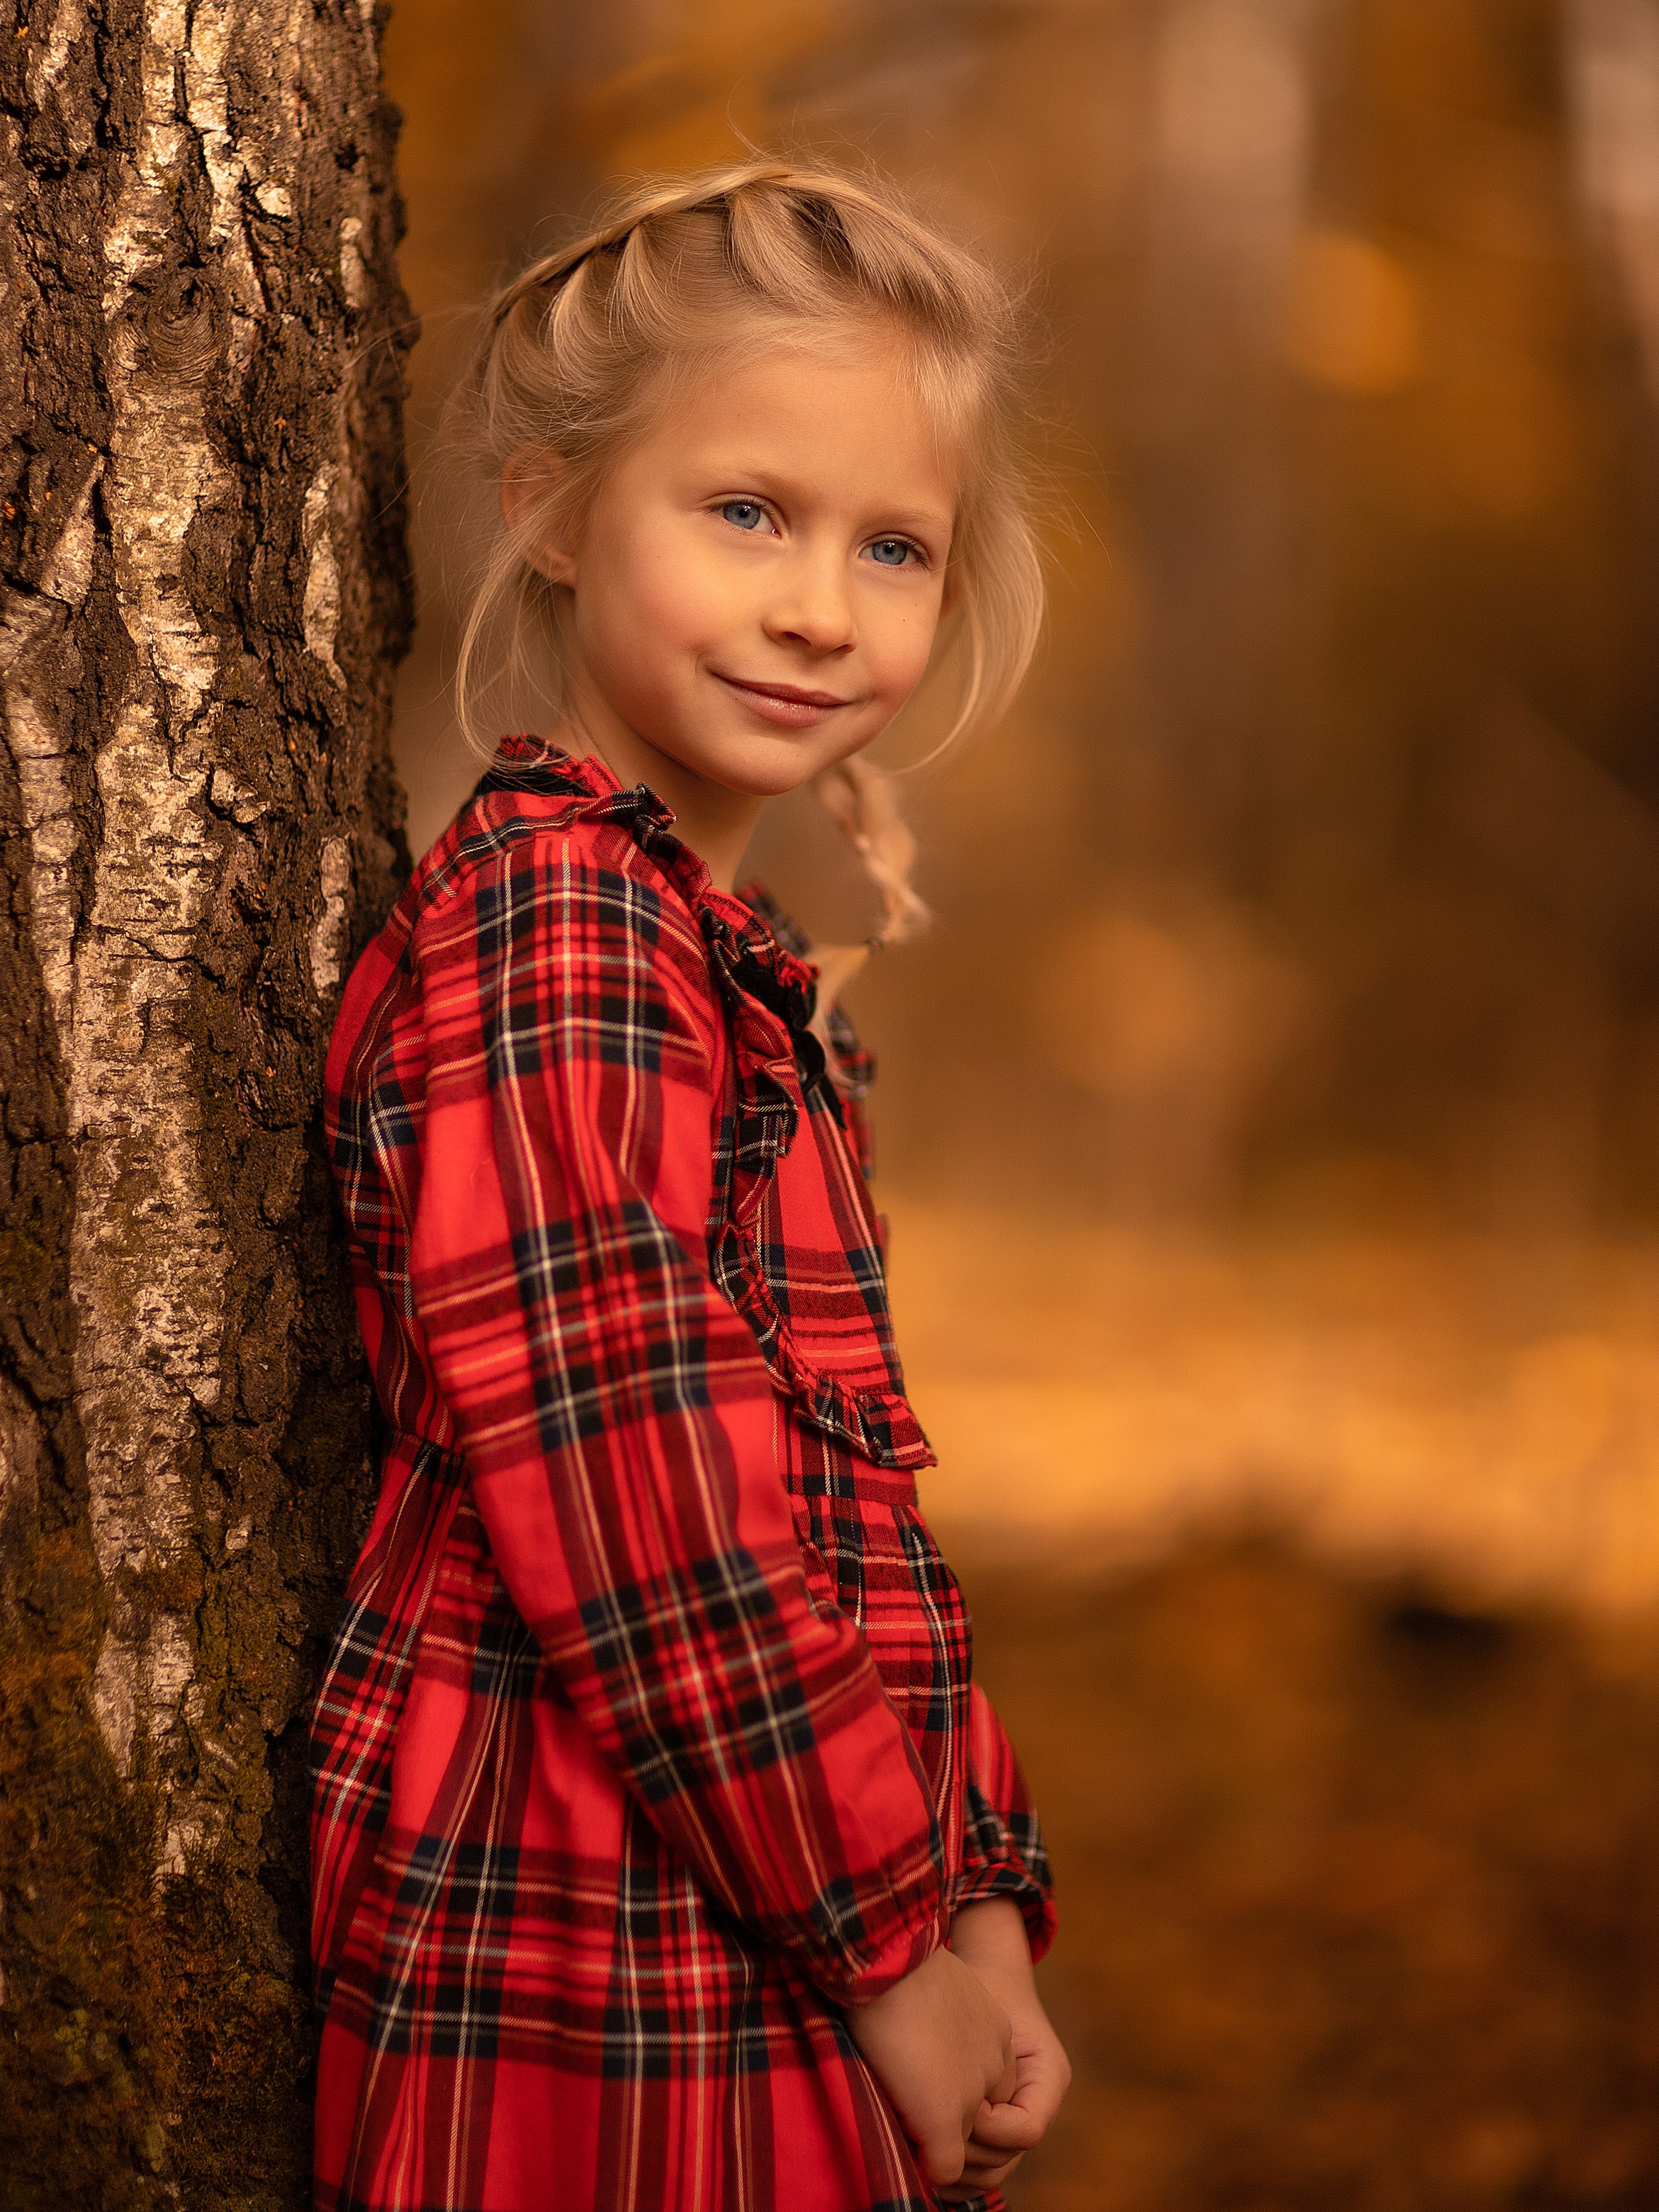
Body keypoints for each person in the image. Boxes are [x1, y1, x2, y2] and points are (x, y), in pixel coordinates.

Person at [309, 161, 1069, 2211]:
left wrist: (976, 1898)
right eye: (749, 512)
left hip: (774, 1894)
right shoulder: (563, 942)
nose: (823, 604)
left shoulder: (705, 960)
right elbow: (643, 1508)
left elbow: (842, 1509)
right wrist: (885, 1936)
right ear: (550, 507)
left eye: (893, 545)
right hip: (602, 1910)